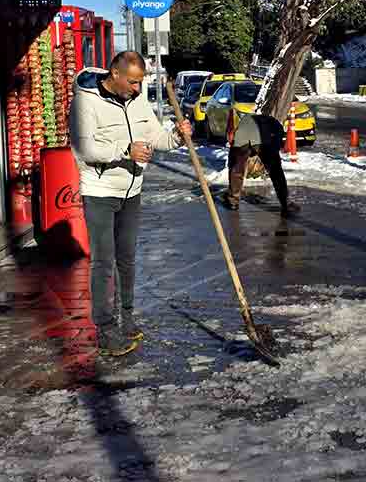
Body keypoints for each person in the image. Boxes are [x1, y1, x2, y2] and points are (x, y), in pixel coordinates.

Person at [69, 51, 192, 357]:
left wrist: (177, 136)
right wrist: (125, 150)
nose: (138, 89)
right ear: (115, 74)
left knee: (127, 260)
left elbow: (155, 138)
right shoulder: (85, 100)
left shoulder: (137, 100)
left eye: (141, 82)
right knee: (103, 262)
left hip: (132, 190)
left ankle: (127, 318)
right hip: (99, 190)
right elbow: (84, 148)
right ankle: (106, 329)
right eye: (134, 82)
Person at [221, 113, 300, 217]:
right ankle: (286, 204)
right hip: (264, 137)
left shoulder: (245, 123)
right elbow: (276, 146)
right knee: (276, 171)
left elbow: (234, 161)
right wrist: (271, 158)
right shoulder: (275, 126)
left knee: (237, 169)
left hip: (245, 136)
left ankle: (233, 201)